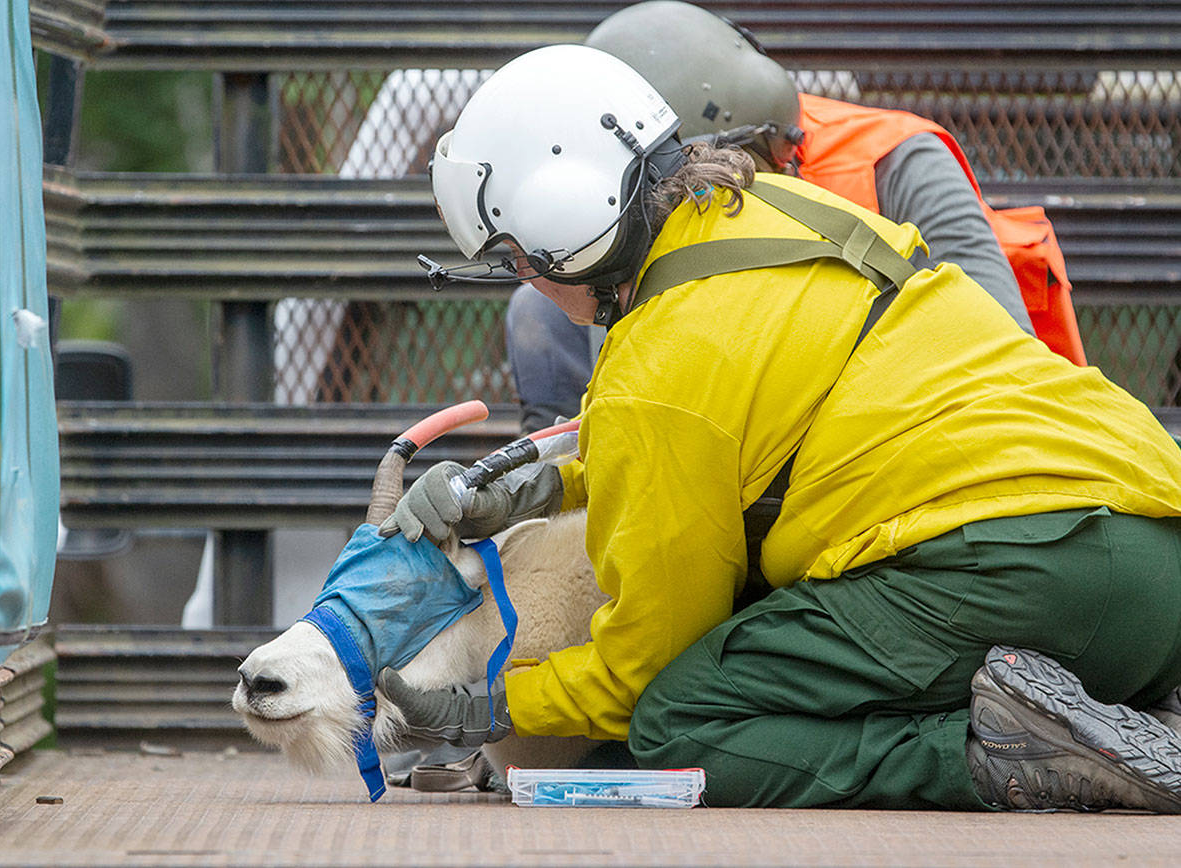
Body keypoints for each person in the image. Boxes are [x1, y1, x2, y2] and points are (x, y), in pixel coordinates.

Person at [375, 42, 1181, 812]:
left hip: (1021, 572)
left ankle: (996, 753)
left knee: (679, 722)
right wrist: (547, 486)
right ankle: (1123, 721)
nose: (528, 285)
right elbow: (724, 434)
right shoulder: (774, 209)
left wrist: (489, 708)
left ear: (560, 236)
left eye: (517, 261)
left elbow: (641, 667)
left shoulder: (655, 369)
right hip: (1156, 565)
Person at [506, 0, 1083, 433]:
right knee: (542, 306)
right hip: (752, 419)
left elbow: (1006, 363)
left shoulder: (895, 163)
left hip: (944, 428)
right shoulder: (633, 215)